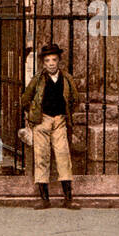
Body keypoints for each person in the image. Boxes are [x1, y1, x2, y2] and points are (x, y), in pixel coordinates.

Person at [20, 42, 81, 209]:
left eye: (54, 60)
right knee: (41, 157)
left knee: (63, 156)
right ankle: (44, 199)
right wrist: (33, 115)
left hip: (60, 121)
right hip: (41, 122)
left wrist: (65, 114)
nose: (51, 63)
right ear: (43, 63)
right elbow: (25, 99)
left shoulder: (67, 78)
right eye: (47, 60)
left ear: (59, 60)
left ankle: (68, 198)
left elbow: (75, 99)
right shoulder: (38, 79)